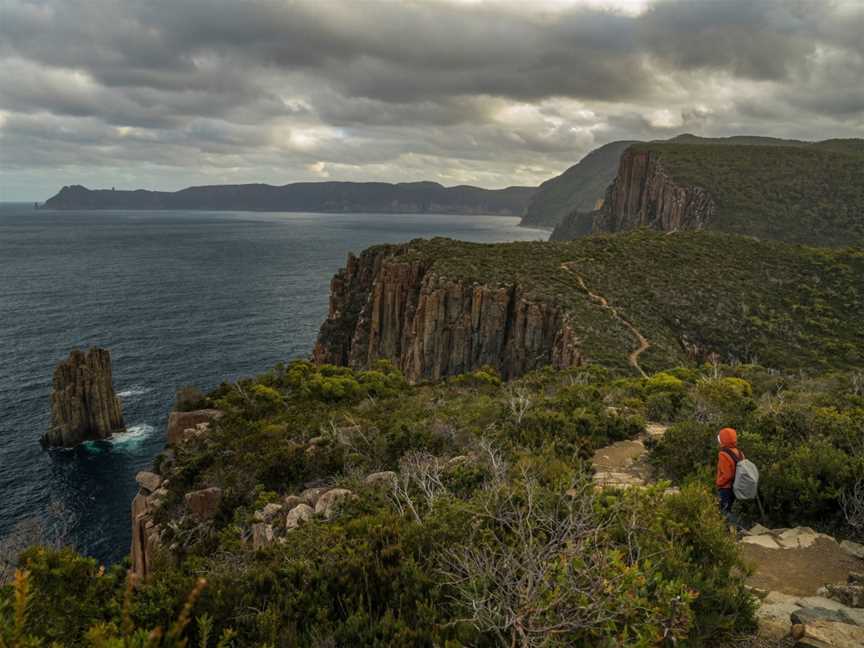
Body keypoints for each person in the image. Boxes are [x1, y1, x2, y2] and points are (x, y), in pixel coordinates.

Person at [716, 427, 743, 526]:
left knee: (724, 511)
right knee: (731, 509)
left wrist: (719, 482)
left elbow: (727, 474)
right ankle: (737, 528)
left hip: (726, 487)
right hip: (736, 486)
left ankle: (737, 529)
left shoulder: (723, 454)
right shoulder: (739, 452)